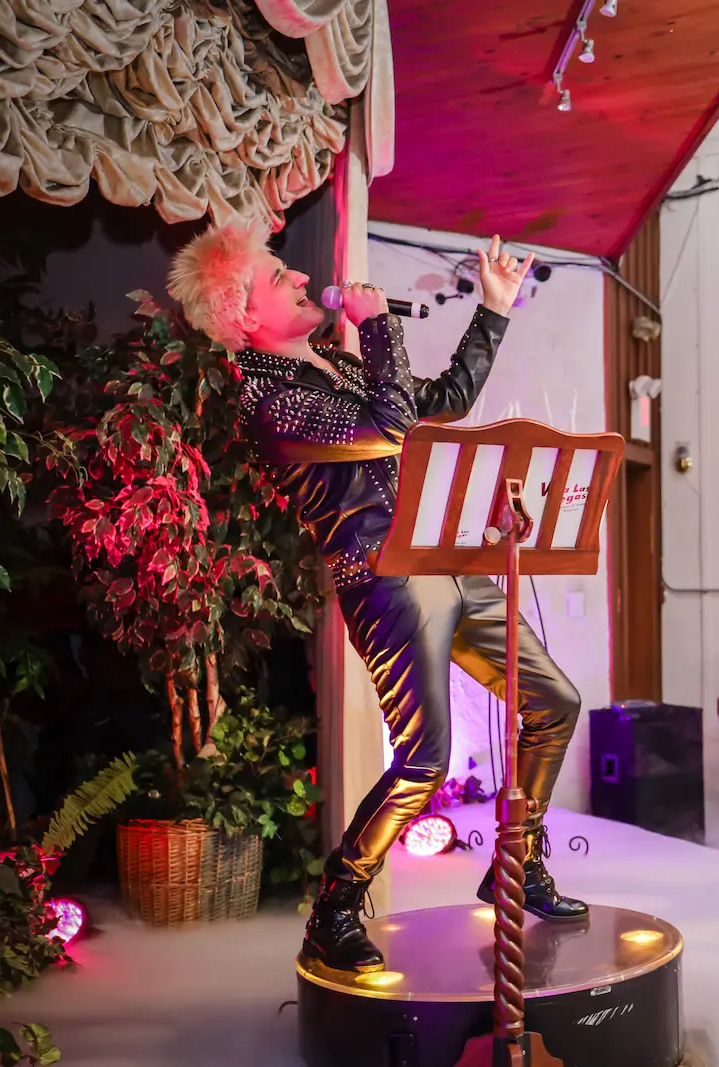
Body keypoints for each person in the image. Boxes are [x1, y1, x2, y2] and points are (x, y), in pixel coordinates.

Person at [167, 226, 587, 975]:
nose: (297, 274)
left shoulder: (331, 364)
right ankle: (335, 904)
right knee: (424, 759)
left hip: (450, 558)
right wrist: (379, 326)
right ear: (243, 314)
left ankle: (516, 864)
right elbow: (389, 427)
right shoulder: (266, 398)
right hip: (385, 580)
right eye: (275, 274)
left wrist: (493, 309)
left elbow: (439, 403)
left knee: (555, 700)